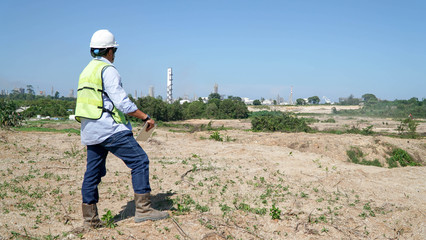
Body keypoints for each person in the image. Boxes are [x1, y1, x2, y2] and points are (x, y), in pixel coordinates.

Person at [74, 29, 169, 228]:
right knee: (140, 160)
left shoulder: (85, 72)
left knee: (92, 172)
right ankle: (143, 210)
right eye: (114, 51)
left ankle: (89, 220)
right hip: (109, 128)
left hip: (90, 130)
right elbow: (122, 103)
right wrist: (145, 117)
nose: (114, 55)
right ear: (109, 51)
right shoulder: (107, 70)